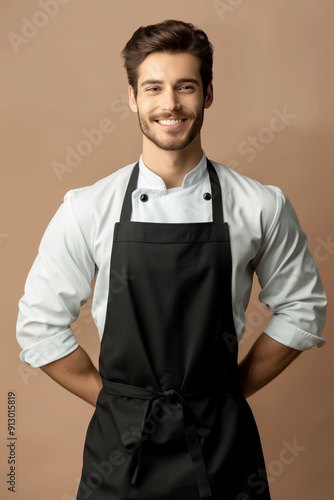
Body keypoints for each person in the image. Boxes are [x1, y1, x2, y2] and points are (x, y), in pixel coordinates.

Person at [16, 19, 327, 500]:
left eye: (186, 86)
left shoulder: (260, 204)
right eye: (154, 87)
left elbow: (303, 309)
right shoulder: (87, 207)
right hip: (119, 455)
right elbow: (37, 328)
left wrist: (228, 395)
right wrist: (118, 404)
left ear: (207, 94)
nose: (170, 104)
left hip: (222, 447)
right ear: (132, 97)